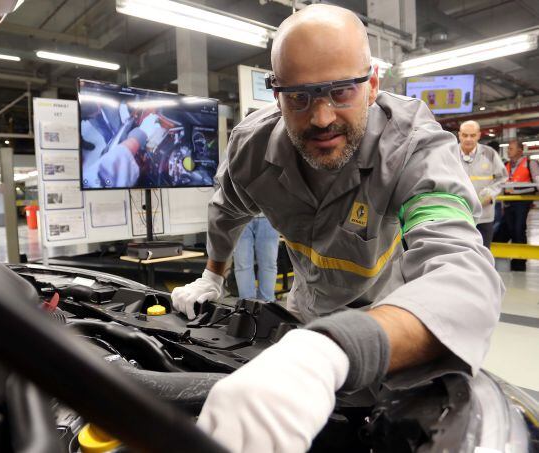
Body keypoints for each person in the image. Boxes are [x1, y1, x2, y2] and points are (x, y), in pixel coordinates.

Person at [170, 5, 503, 452]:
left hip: (396, 324)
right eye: (300, 96)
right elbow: (226, 210)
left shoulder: (414, 151)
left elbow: (464, 278)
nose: (322, 117)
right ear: (276, 95)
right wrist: (212, 275)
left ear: (372, 84)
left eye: (342, 90)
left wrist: (330, 351)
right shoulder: (252, 152)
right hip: (305, 313)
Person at [455, 120, 507, 247]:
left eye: (472, 135)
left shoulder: (490, 154)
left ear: (478, 135)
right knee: (459, 254)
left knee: (483, 255)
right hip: (457, 215)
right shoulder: (449, 154)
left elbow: (502, 177)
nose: (468, 139)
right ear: (459, 135)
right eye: (465, 135)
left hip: (484, 216)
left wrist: (490, 194)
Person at [494, 139, 539, 271]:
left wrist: (518, 190)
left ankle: (519, 264)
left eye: (511, 148)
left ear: (520, 150)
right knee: (504, 231)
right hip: (508, 201)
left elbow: (536, 181)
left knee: (518, 229)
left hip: (522, 202)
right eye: (508, 148)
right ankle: (500, 259)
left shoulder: (531, 163)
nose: (508, 151)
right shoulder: (506, 164)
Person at [232, 215, 279, 301]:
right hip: (240, 214)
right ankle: (247, 306)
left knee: (268, 265)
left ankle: (267, 306)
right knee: (242, 264)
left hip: (267, 213)